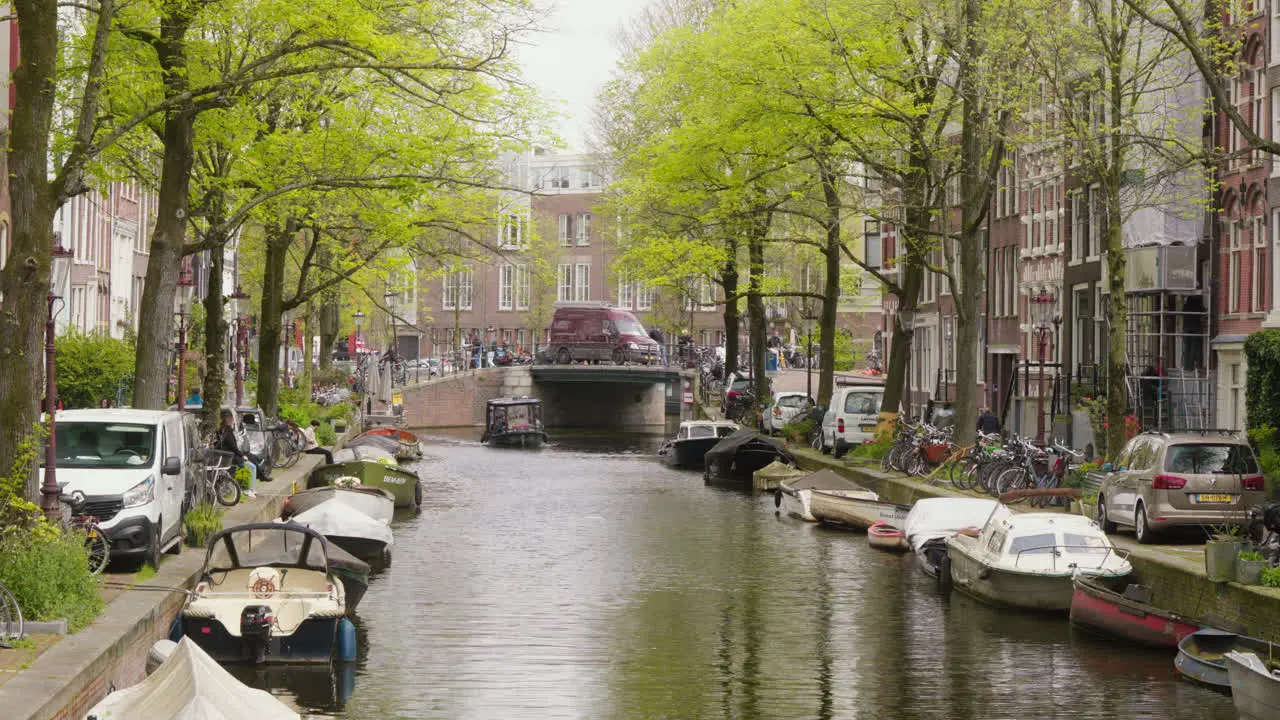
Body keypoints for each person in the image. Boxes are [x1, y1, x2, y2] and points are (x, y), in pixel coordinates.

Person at [216, 408, 256, 499]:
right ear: (226, 419)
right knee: (252, 467)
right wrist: (242, 455)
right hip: (230, 457)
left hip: (224, 456)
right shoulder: (228, 431)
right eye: (230, 418)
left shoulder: (221, 430)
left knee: (251, 462)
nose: (232, 420)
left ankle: (249, 489)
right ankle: (248, 489)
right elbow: (233, 447)